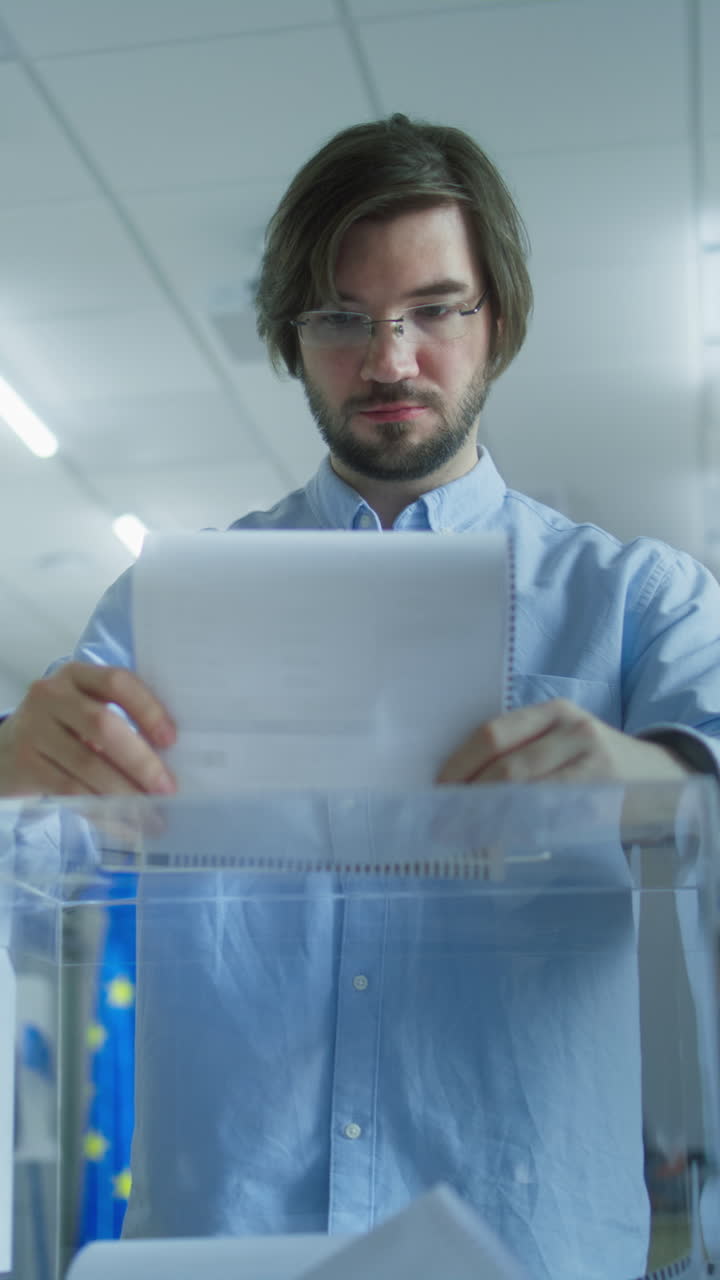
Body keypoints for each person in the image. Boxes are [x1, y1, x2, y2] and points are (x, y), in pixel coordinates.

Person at [2, 114, 719, 1277]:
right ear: (292, 334)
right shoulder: (162, 605)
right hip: (227, 1249)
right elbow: (36, 869)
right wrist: (10, 761)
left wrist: (660, 778)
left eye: (435, 309)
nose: (390, 360)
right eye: (343, 317)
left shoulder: (640, 603)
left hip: (530, 1248)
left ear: (501, 318)